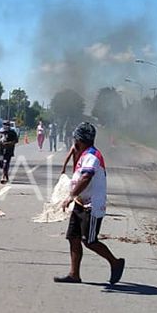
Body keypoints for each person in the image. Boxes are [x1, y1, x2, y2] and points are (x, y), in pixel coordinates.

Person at [54, 122, 125, 285]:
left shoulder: (92, 156)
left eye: (75, 139)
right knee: (73, 237)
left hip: (92, 206)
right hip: (81, 202)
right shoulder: (84, 154)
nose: (74, 142)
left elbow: (86, 178)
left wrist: (71, 195)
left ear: (80, 140)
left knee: (89, 240)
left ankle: (115, 262)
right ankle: (74, 274)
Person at [0, 120, 18, 184]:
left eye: (8, 124)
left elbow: (16, 141)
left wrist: (9, 143)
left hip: (8, 151)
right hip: (0, 151)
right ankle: (6, 176)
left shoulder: (12, 132)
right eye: (5, 124)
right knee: (1, 164)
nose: (6, 125)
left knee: (5, 163)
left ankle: (3, 177)